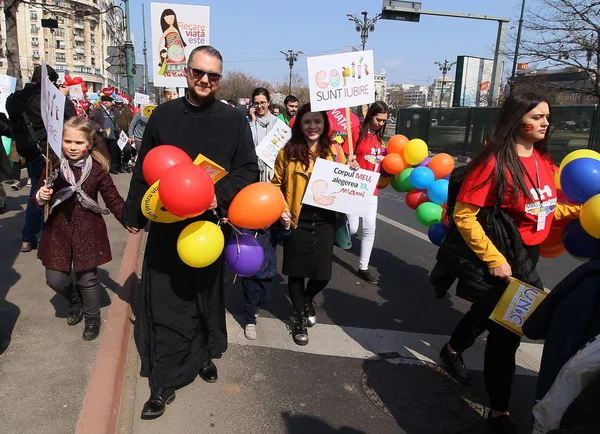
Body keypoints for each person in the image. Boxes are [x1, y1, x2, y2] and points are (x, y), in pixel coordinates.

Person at [122, 45, 258, 420]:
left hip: (209, 227)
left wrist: (217, 194)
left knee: (203, 297)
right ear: (186, 72)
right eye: (199, 72)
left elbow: (248, 170)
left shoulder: (234, 121)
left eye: (213, 76)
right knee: (167, 302)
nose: (204, 80)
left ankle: (202, 355)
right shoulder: (163, 116)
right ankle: (162, 382)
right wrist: (133, 212)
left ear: (219, 79)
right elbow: (143, 169)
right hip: (167, 228)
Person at [434, 92, 580, 434]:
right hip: (502, 255)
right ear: (517, 119)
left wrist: (579, 211)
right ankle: (499, 412)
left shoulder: (545, 161)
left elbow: (543, 208)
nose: (546, 122)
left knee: (488, 312)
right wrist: (494, 259)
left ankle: (452, 349)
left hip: (529, 255)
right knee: (507, 334)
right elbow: (464, 215)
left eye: (548, 116)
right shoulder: (493, 162)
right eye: (538, 116)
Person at [271, 103, 359, 346]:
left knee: (323, 274)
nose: (312, 126)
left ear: (325, 124)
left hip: (326, 219)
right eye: (307, 121)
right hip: (297, 218)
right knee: (296, 272)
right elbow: (275, 184)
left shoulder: (336, 151)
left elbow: (346, 183)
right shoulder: (287, 151)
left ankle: (308, 299)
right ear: (299, 123)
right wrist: (283, 211)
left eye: (317, 122)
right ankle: (299, 317)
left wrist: (352, 169)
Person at [35, 117, 125, 341]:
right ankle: (74, 298)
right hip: (58, 230)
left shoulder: (97, 169)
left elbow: (113, 199)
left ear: (89, 144)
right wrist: (41, 195)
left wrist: (129, 220)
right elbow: (37, 197)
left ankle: (92, 317)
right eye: (67, 141)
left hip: (88, 229)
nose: (72, 147)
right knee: (54, 278)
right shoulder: (52, 166)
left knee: (88, 278)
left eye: (78, 142)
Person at [6, 64, 77, 252]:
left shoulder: (16, 97)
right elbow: (72, 117)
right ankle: (33, 236)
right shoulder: (45, 97)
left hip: (28, 150)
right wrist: (63, 97)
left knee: (39, 190)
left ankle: (30, 238)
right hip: (45, 150)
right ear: (50, 81)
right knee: (42, 193)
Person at [345, 101, 389, 285]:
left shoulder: (379, 139)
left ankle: (363, 267)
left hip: (372, 189)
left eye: (384, 121)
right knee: (352, 229)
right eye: (378, 119)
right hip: (354, 186)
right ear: (370, 115)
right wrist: (349, 160)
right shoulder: (356, 131)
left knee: (370, 227)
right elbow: (344, 154)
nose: (380, 123)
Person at [248, 88, 279, 182]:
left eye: (263, 102)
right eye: (256, 103)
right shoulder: (247, 121)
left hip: (271, 170)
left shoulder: (277, 122)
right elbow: (249, 144)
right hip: (251, 170)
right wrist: (253, 122)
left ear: (268, 102)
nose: (260, 106)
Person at [89, 95, 123, 175]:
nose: (112, 104)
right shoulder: (97, 110)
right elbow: (90, 121)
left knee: (113, 152)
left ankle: (113, 167)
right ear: (105, 103)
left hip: (112, 135)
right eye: (111, 102)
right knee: (103, 153)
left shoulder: (111, 111)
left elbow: (114, 123)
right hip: (101, 136)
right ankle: (104, 168)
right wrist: (98, 128)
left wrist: (118, 130)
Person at [157, 9, 187, 77]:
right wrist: (160, 58)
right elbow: (159, 44)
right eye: (167, 18)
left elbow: (181, 42)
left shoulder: (176, 30)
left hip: (180, 55)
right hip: (171, 55)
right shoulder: (167, 31)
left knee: (180, 69)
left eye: (172, 18)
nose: (170, 20)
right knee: (171, 70)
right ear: (164, 20)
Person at [114, 96, 134, 171]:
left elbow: (131, 121)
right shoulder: (112, 110)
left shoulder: (127, 110)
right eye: (117, 103)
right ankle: (118, 166)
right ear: (115, 103)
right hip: (116, 133)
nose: (119, 105)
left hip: (125, 133)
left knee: (128, 149)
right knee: (117, 151)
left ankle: (124, 163)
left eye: (120, 103)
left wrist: (131, 133)